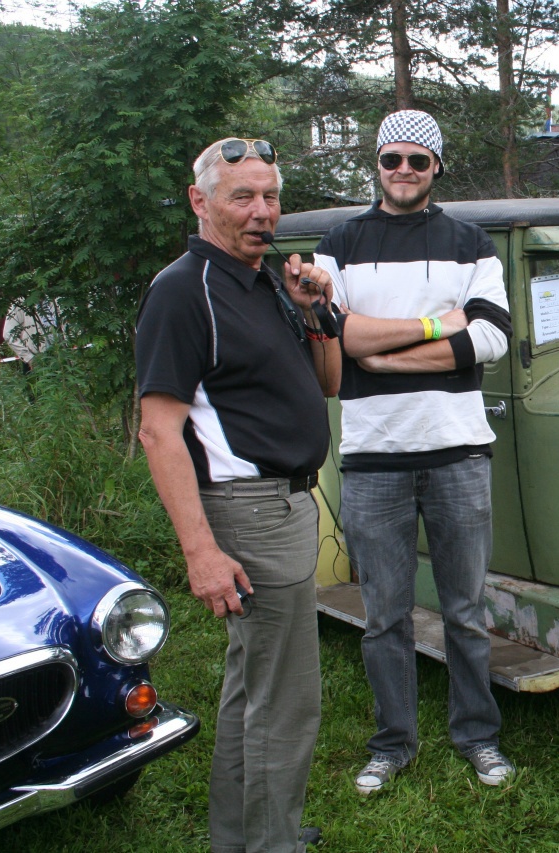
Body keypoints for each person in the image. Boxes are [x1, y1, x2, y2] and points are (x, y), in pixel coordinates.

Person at [136, 137, 340, 853]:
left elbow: (329, 382)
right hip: (249, 512)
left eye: (271, 196)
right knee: (285, 702)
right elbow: (158, 431)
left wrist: (315, 310)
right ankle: (270, 842)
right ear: (200, 202)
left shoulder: (264, 283)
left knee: (254, 687)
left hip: (286, 505)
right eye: (242, 197)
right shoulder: (183, 290)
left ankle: (244, 834)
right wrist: (201, 553)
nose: (262, 212)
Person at [313, 110, 514, 794]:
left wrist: (381, 353)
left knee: (465, 610)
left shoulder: (470, 243)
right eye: (391, 159)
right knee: (384, 616)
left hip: (459, 454)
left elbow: (490, 338)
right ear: (377, 163)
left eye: (417, 161)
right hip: (374, 457)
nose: (403, 171)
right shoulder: (340, 243)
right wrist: (436, 328)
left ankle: (478, 736)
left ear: (436, 168)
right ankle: (392, 743)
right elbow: (336, 335)